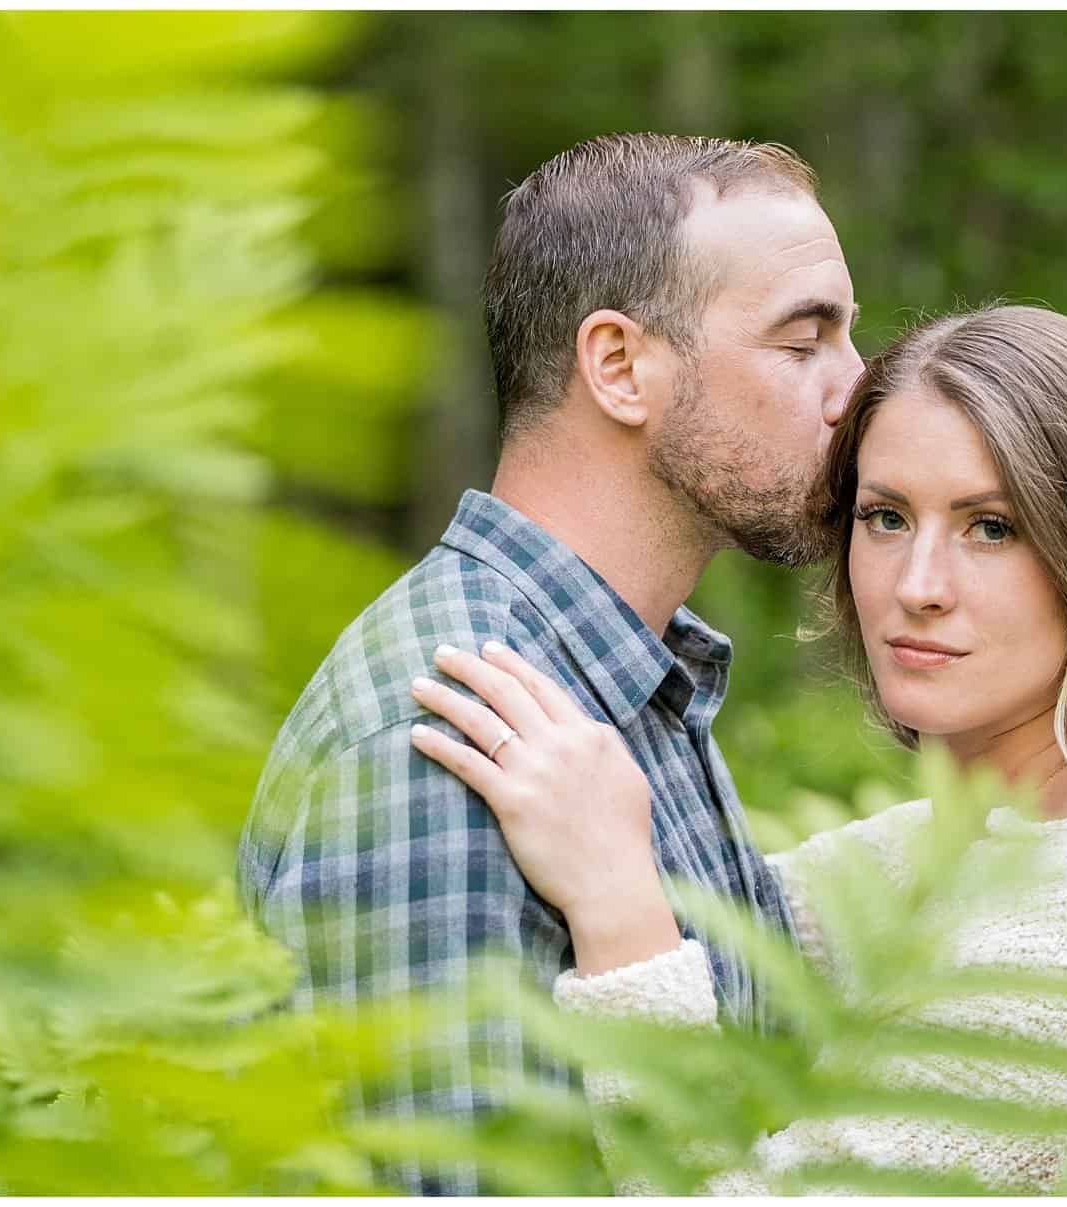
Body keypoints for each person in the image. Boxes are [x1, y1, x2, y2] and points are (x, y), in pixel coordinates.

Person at [407, 304, 1067, 1193]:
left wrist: (618, 912)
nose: (919, 584)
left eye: (992, 527)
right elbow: (736, 934)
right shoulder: (930, 855)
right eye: (885, 517)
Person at [236, 133, 864, 1195]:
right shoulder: (444, 738)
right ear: (619, 367)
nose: (857, 386)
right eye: (805, 343)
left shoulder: (621, 680)